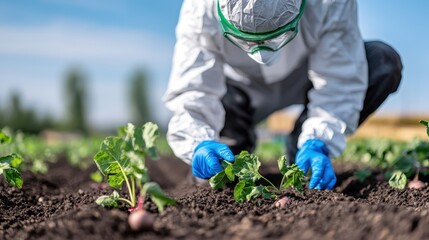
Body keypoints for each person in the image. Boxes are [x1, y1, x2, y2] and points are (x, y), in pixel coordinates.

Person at [163, 0, 402, 190]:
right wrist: (198, 141)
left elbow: (339, 79)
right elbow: (195, 86)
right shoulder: (199, 8)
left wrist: (319, 140)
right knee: (219, 177)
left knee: (382, 63)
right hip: (237, 88)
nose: (261, 53)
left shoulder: (331, 3)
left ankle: (301, 148)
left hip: (305, 75)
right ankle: (230, 141)